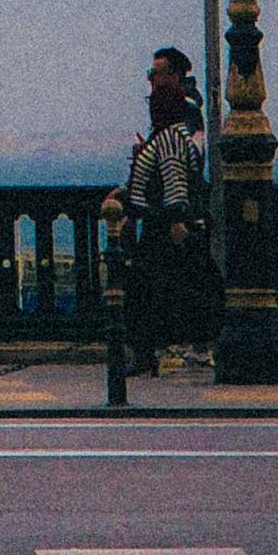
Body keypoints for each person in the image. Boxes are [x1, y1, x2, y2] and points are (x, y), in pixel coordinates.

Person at [104, 48, 219, 371]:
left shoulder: (180, 119)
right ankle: (157, 351)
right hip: (166, 220)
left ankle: (148, 354)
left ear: (173, 76)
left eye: (155, 74)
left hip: (164, 223)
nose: (150, 80)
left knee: (147, 290)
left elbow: (176, 174)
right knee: (166, 287)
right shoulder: (171, 130)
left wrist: (173, 217)